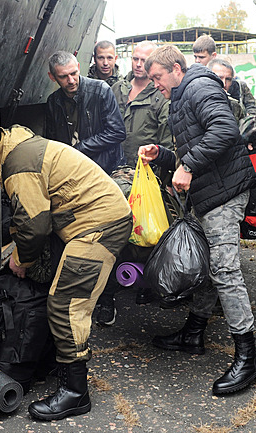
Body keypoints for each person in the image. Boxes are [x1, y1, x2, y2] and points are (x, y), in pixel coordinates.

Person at [0, 126, 132, 420]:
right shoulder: (20, 148)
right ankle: (60, 364)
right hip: (93, 219)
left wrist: (21, 260)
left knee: (66, 304)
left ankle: (76, 393)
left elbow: (34, 225)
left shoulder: (16, 166)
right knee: (59, 296)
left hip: (98, 225)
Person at [140, 45, 256, 395]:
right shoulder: (183, 94)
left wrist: (187, 165)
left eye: (157, 78)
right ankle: (193, 333)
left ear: (176, 68)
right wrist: (164, 155)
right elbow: (198, 142)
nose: (154, 85)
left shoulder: (198, 86)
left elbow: (225, 130)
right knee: (210, 265)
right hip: (211, 192)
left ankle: (248, 357)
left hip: (225, 193)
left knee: (224, 270)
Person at [93, 41, 173, 325]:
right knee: (110, 237)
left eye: (144, 60)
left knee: (143, 236)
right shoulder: (116, 89)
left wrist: (160, 179)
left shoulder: (161, 96)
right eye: (135, 58)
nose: (138, 64)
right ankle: (106, 298)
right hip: (109, 172)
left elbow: (166, 142)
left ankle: (144, 283)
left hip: (144, 177)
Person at [45, 50, 125, 175]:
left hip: (105, 169)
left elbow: (117, 132)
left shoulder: (101, 90)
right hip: (73, 170)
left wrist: (80, 148)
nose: (71, 80)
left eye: (73, 73)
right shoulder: (53, 101)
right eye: (63, 76)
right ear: (52, 77)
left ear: (78, 67)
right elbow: (51, 141)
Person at [193, 35, 256, 116]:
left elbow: (253, 114)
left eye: (201, 57)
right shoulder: (194, 83)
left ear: (213, 56)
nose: (197, 61)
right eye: (195, 57)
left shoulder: (239, 86)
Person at [207, 58, 246, 122]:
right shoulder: (196, 102)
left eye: (228, 79)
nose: (224, 84)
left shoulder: (235, 106)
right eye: (219, 78)